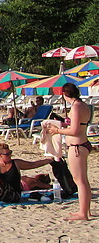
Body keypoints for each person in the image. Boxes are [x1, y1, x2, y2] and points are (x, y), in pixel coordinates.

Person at [46, 82, 92, 221]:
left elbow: (74, 130)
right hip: (82, 144)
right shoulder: (83, 105)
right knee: (83, 180)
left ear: (65, 94)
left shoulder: (77, 106)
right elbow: (78, 125)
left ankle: (83, 213)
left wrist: (57, 130)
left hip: (77, 146)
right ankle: (86, 210)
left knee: (79, 181)